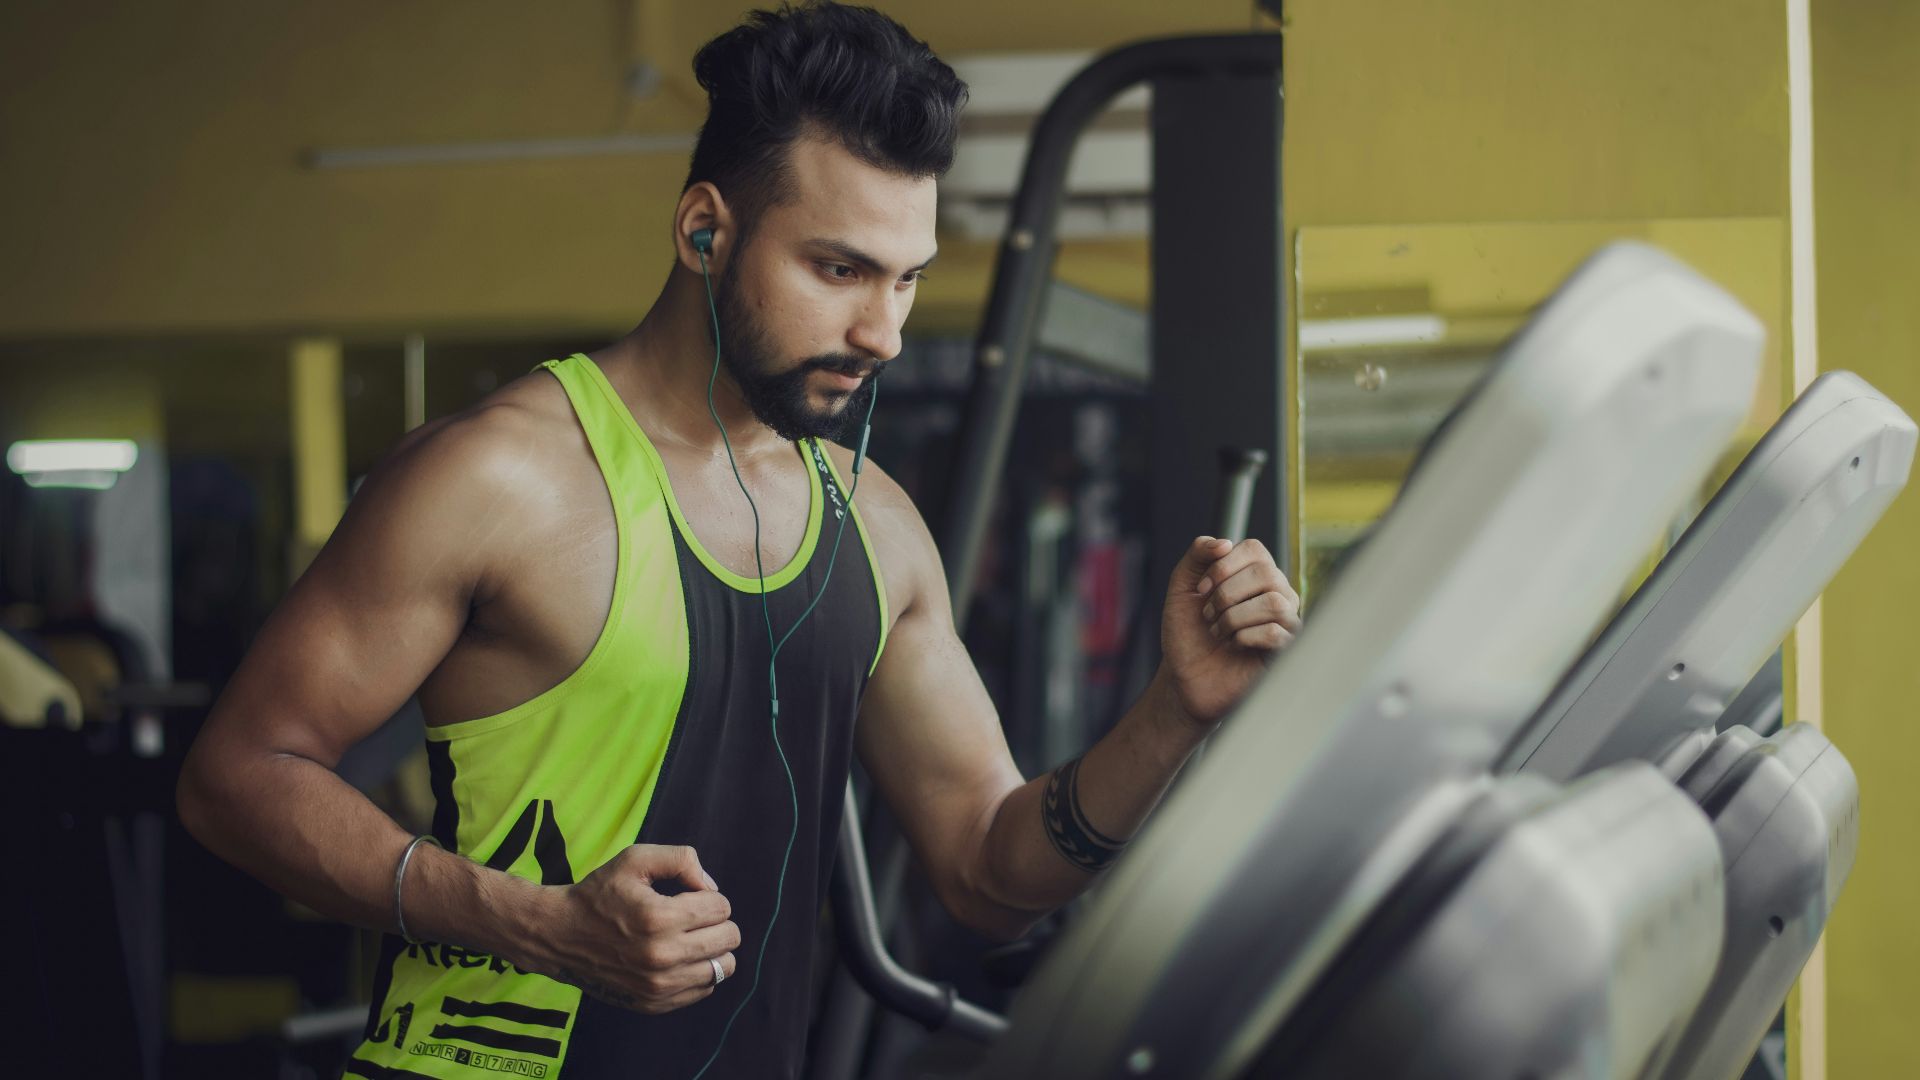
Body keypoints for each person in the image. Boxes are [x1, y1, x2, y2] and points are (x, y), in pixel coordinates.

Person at [175, 3, 1302, 1077]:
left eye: (907, 280)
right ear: (704, 228)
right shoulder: (498, 477)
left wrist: (1175, 712)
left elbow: (988, 869)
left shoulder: (877, 527)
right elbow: (234, 777)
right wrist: (542, 928)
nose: (883, 332)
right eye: (838, 269)